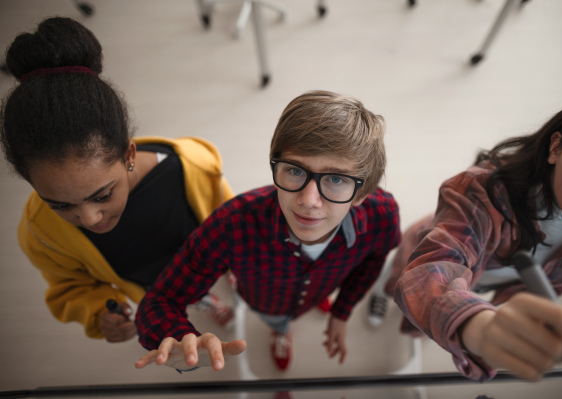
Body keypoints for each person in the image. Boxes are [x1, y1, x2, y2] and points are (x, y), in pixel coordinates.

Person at [0, 16, 236, 343]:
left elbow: (226, 213)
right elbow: (69, 286)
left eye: (102, 195)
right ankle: (205, 301)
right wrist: (99, 312)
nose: (89, 218)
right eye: (59, 205)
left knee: (204, 277)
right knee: (186, 296)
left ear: (128, 155)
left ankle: (209, 291)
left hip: (202, 257)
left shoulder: (192, 165)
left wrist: (234, 253)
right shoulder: (39, 234)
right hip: (148, 285)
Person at [134, 90, 401, 373]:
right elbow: (161, 299)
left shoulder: (382, 216)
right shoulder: (232, 224)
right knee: (277, 319)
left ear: (363, 193)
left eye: (336, 179)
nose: (309, 200)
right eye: (295, 171)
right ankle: (280, 330)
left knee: (318, 288)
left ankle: (317, 297)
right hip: (267, 302)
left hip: (327, 282)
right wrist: (176, 337)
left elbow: (374, 260)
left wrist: (341, 310)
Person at [386, 86, 562, 382]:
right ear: (556, 147)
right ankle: (382, 293)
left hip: (482, 286)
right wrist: (479, 326)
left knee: (437, 314)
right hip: (429, 251)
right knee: (395, 283)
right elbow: (427, 272)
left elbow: (555, 280)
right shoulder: (480, 190)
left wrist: (506, 317)